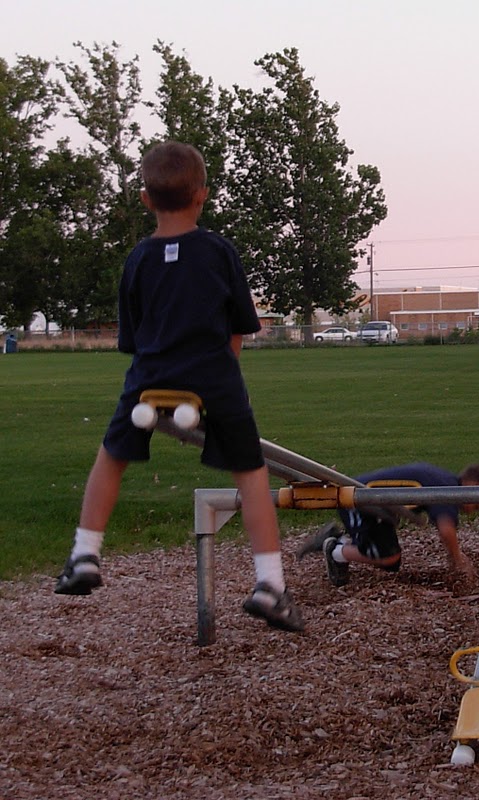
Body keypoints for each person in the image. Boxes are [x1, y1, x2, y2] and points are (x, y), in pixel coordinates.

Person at [55, 141, 303, 632]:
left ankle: (85, 553)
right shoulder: (218, 252)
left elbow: (133, 338)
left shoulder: (137, 260)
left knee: (112, 454)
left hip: (149, 376)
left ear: (146, 199)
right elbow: (237, 329)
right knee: (250, 472)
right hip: (213, 374)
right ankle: (270, 585)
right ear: (202, 196)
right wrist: (222, 380)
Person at [296, 462, 479, 587]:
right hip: (359, 504)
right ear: (473, 485)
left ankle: (342, 544)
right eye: (477, 504)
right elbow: (446, 529)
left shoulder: (443, 480)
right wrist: (458, 560)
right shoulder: (447, 488)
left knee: (391, 560)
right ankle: (335, 549)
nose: (472, 510)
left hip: (376, 510)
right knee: (388, 558)